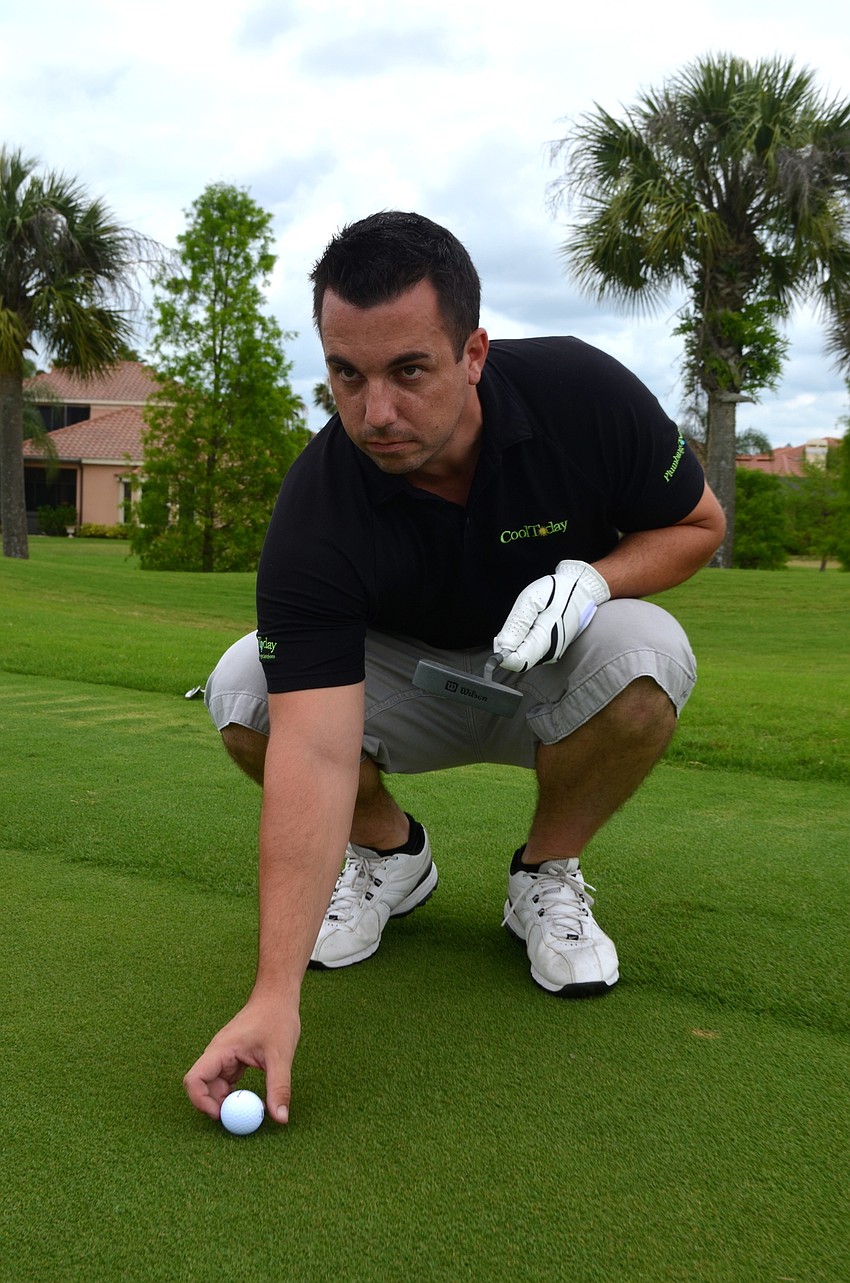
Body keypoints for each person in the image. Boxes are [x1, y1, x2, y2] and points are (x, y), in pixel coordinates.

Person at [183, 211, 725, 1125]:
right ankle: (392, 855)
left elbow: (699, 524)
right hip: (407, 686)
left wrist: (595, 578)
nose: (375, 412)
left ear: (473, 351)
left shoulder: (578, 391)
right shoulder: (318, 507)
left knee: (650, 654)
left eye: (409, 370)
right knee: (245, 690)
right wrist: (274, 994)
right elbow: (314, 751)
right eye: (345, 374)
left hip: (553, 671)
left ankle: (545, 872)